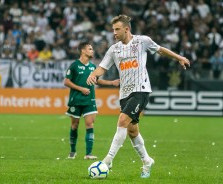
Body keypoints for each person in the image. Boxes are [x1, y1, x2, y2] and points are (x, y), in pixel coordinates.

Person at [87, 15, 190, 178]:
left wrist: (179, 58)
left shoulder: (142, 41)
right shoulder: (114, 49)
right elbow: (102, 67)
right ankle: (147, 160)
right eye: (113, 29)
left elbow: (161, 49)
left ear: (126, 29)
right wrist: (93, 75)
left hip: (140, 90)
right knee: (132, 131)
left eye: (117, 29)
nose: (114, 33)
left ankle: (108, 160)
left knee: (122, 120)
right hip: (124, 93)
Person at [64, 42, 120, 160]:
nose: (92, 51)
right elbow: (66, 82)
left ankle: (88, 154)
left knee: (90, 124)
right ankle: (73, 151)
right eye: (90, 49)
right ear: (83, 51)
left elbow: (97, 81)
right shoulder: (74, 65)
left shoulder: (93, 67)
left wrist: (111, 83)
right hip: (76, 100)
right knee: (74, 125)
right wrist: (81, 89)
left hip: (89, 100)